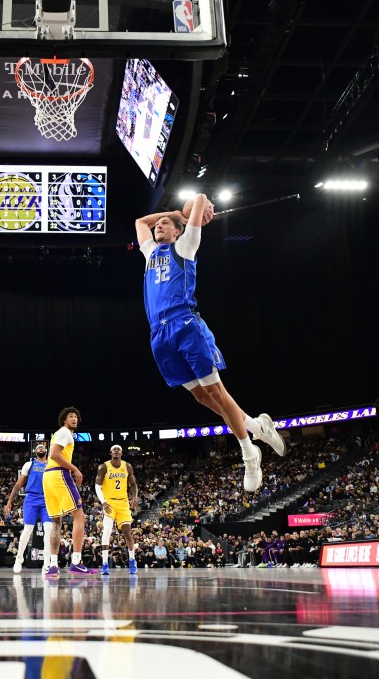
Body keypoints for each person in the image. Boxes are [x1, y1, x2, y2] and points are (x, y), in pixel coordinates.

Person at [134, 195, 286, 493]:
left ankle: (249, 454)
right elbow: (140, 222)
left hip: (185, 325)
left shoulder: (185, 246)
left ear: (178, 230)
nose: (158, 226)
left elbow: (201, 198)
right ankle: (256, 427)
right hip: (159, 335)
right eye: (159, 224)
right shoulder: (151, 252)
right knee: (202, 397)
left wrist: (187, 212)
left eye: (166, 224)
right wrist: (174, 212)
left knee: (216, 390)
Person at [41, 406, 96, 577]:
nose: (74, 419)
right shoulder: (65, 432)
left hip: (48, 477)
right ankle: (76, 562)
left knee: (56, 522)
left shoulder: (59, 433)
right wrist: (75, 469)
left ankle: (53, 565)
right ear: (64, 420)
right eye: (70, 416)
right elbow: (55, 455)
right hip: (59, 474)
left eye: (76, 417)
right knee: (79, 516)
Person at [4, 443, 54, 574]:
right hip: (31, 498)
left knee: (48, 529)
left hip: (46, 499)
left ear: (46, 450)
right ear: (35, 451)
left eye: (42, 447)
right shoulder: (29, 464)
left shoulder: (51, 465)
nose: (41, 448)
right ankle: (19, 559)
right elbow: (18, 484)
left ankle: (47, 564)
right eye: (38, 448)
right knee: (27, 530)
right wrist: (9, 501)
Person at [94, 445, 139, 575]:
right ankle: (104, 563)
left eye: (119, 449)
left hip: (123, 503)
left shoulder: (127, 466)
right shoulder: (104, 467)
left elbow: (133, 484)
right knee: (107, 531)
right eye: (114, 449)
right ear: (110, 452)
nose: (116, 451)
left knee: (127, 532)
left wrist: (134, 497)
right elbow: (97, 486)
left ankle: (132, 560)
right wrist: (103, 502)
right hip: (110, 503)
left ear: (122, 452)